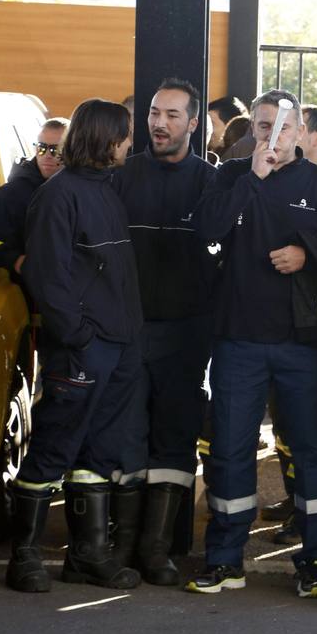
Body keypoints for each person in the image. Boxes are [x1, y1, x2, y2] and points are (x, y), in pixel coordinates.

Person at [187, 90, 317, 597]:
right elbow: (206, 231)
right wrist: (253, 177)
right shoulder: (232, 176)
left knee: (309, 452)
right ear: (253, 129)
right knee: (231, 450)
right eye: (263, 127)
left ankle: (314, 562)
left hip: (303, 345)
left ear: (303, 132)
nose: (272, 137)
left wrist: (308, 254)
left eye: (283, 128)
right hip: (238, 340)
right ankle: (224, 560)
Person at [5, 99, 142, 593]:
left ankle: (86, 557)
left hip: (117, 346)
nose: (131, 143)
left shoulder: (107, 190)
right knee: (52, 448)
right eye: (125, 135)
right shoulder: (59, 195)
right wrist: (81, 337)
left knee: (98, 454)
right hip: (83, 349)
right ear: (107, 139)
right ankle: (23, 557)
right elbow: (48, 275)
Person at [111, 78, 217, 586]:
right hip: (128, 333)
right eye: (155, 112)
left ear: (193, 124)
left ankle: (157, 550)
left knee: (174, 443)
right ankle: (121, 547)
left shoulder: (210, 181)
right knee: (125, 439)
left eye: (173, 115)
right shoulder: (122, 177)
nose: (159, 123)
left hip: (187, 336)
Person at [0, 117, 68, 276]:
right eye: (41, 148)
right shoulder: (15, 193)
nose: (47, 155)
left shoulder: (80, 189)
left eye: (56, 149)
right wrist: (13, 259)